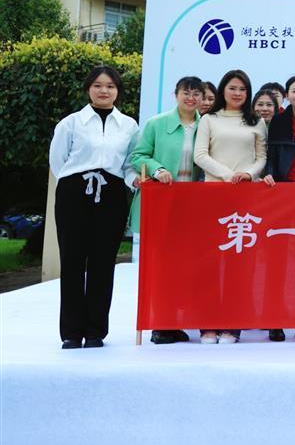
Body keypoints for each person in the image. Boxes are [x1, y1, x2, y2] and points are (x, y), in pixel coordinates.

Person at [48, 66, 139, 349]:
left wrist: (134, 181)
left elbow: (129, 164)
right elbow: (58, 161)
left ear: (117, 91)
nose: (104, 90)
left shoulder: (128, 126)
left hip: (111, 195)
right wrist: (76, 183)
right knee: (73, 261)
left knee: (103, 262)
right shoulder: (71, 123)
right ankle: (71, 332)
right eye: (98, 85)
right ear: (88, 88)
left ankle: (96, 330)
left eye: (110, 86)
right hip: (74, 194)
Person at [129, 75, 204, 345]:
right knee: (160, 266)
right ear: (176, 94)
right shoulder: (157, 124)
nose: (191, 98)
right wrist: (158, 169)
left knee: (185, 266)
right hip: (163, 203)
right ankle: (160, 323)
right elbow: (138, 156)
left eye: (196, 94)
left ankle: (177, 320)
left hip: (193, 205)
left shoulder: (205, 125)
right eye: (186, 93)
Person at [193, 69, 267, 344]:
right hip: (213, 195)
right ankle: (208, 324)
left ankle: (233, 325)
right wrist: (227, 175)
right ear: (223, 89)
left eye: (243, 89)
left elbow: (262, 157)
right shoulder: (209, 119)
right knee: (210, 263)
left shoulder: (256, 121)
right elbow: (200, 155)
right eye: (233, 88)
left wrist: (248, 174)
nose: (237, 93)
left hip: (245, 196)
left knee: (240, 263)